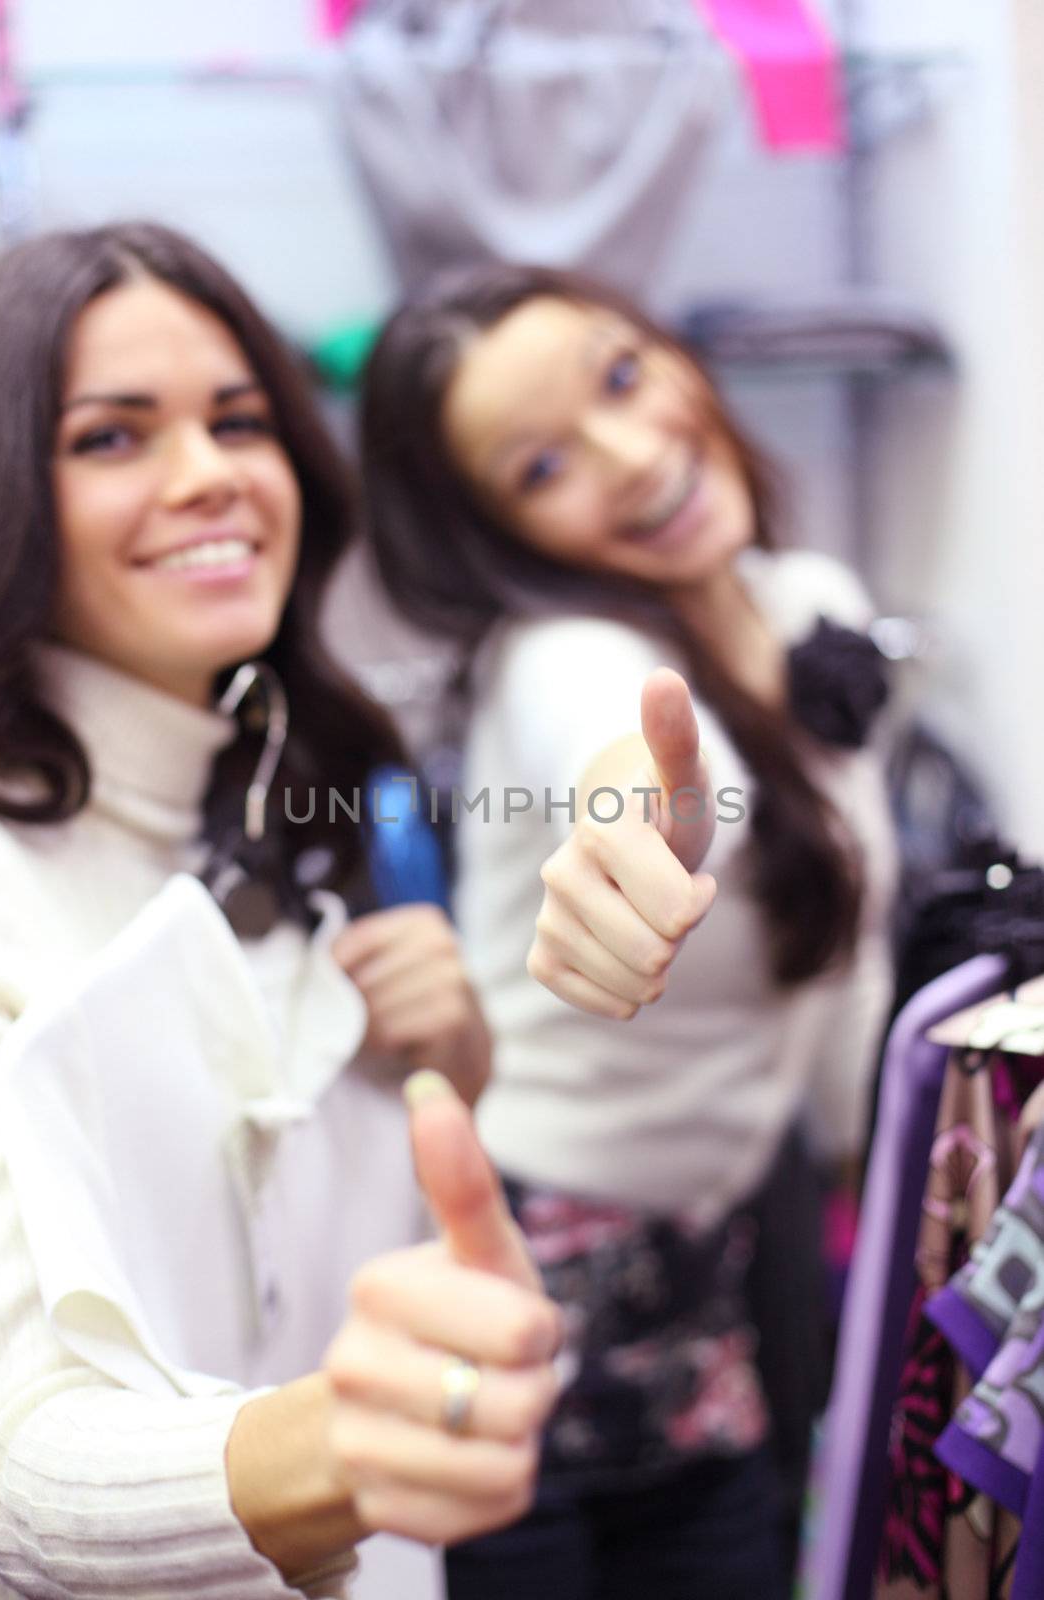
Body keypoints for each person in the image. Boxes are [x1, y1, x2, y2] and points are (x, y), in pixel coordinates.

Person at [0, 224, 563, 1600]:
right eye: (111, 439)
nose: (211, 479)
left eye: (240, 421)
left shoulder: (293, 806)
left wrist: (444, 1086)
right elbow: (9, 1467)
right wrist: (333, 1445)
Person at [359, 262, 899, 1599]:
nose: (635, 453)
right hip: (520, 1280)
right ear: (496, 530)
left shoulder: (808, 597)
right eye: (541, 466)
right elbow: (636, 761)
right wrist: (634, 833)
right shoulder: (561, 660)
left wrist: (867, 1172)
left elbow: (849, 942)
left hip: (716, 1273)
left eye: (620, 375)